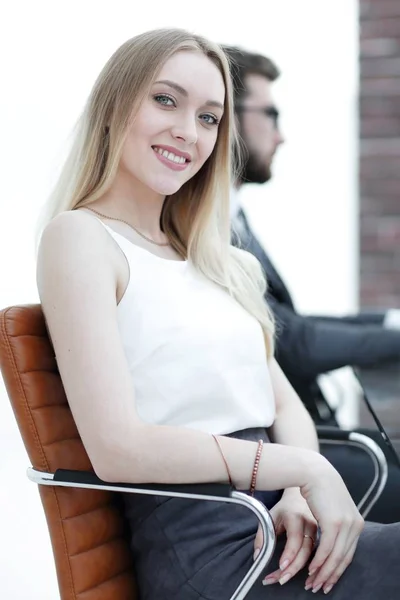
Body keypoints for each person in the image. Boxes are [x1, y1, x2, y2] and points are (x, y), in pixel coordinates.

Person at [36, 28, 400, 599]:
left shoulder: (215, 258)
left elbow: (282, 403)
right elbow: (116, 446)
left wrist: (299, 489)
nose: (188, 130)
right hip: (209, 549)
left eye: (210, 118)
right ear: (114, 105)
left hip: (274, 524)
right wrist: (302, 470)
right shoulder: (82, 238)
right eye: (165, 100)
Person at [222, 44, 400, 426]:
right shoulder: (207, 229)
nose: (281, 135)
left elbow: (289, 321)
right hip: (277, 441)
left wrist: (388, 322)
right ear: (226, 118)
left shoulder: (234, 217)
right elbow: (291, 341)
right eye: (270, 115)